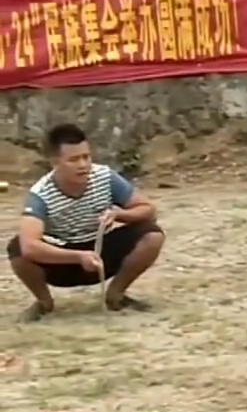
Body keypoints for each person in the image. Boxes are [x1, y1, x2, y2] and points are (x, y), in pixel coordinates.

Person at [6, 123, 165, 322]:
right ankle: (44, 303)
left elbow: (147, 209)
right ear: (55, 162)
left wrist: (119, 215)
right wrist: (78, 257)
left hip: (101, 250)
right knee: (17, 249)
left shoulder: (105, 177)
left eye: (86, 157)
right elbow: (30, 246)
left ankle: (116, 295)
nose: (83, 165)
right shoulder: (40, 195)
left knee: (152, 234)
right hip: (62, 258)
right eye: (74, 159)